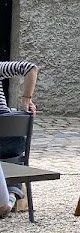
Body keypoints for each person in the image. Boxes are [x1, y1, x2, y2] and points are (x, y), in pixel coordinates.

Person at [0, 58, 38, 214]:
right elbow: (31, 67)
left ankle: (9, 194)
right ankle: (11, 191)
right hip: (13, 139)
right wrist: (27, 99)